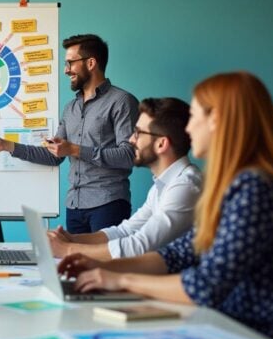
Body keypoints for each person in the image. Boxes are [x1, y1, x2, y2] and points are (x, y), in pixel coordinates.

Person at [59, 71, 273, 339]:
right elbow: (177, 255)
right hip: (249, 335)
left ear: (216, 120)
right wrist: (101, 266)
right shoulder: (233, 184)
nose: (188, 130)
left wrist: (119, 279)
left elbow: (205, 285)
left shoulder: (255, 186)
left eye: (195, 117)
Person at [0, 34, 138, 234]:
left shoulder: (121, 101)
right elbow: (54, 155)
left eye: (70, 63)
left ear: (91, 63)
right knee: (74, 265)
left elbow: (128, 156)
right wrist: (7, 145)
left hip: (108, 204)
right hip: (74, 207)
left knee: (104, 265)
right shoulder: (70, 108)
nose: (66, 70)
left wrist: (75, 149)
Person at [48, 97, 202, 261]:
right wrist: (70, 239)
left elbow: (139, 245)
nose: (130, 140)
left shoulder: (185, 186)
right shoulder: (162, 185)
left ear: (161, 144)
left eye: (138, 133)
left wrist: (67, 249)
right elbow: (125, 231)